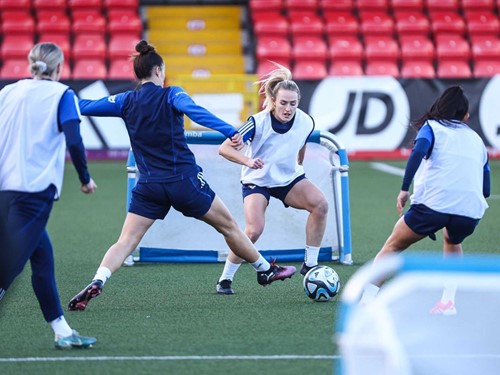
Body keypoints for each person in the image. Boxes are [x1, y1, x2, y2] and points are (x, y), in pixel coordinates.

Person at [68, 40, 296, 311]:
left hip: (149, 185)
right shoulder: (172, 94)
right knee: (229, 227)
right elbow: (196, 113)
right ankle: (264, 269)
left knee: (126, 241)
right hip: (184, 182)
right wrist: (228, 130)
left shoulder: (124, 101)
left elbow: (85, 106)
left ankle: (99, 279)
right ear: (158, 71)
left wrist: (60, 95)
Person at [359, 85, 490, 315]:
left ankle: (366, 301)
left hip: (432, 206)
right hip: (470, 212)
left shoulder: (432, 127)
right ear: (466, 116)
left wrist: (404, 189)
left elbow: (418, 152)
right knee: (452, 241)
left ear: (439, 107)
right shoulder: (478, 140)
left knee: (393, 245)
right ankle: (448, 302)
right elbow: (486, 189)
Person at [0, 43, 98, 349]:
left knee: (42, 259)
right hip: (33, 193)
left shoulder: (7, 92)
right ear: (59, 67)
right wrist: (85, 178)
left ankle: (62, 331)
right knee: (9, 268)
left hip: (4, 190)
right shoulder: (62, 95)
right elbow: (74, 139)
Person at [215, 65, 329, 295]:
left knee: (321, 205)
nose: (288, 108)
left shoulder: (306, 121)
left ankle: (310, 265)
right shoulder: (257, 122)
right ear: (274, 101)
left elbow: (302, 142)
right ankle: (225, 279)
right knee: (254, 230)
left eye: (293, 103)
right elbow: (224, 149)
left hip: (288, 179)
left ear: (299, 103)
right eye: (283, 103)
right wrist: (247, 162)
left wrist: (299, 163)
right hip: (257, 180)